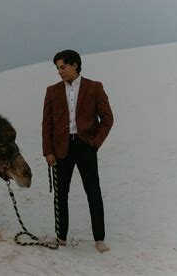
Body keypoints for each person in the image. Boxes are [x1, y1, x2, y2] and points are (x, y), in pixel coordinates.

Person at [42, 49, 113, 253]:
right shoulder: (52, 91)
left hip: (86, 146)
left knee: (93, 193)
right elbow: (47, 124)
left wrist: (95, 142)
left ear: (74, 65)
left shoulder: (94, 87)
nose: (59, 72)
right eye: (57, 68)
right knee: (60, 194)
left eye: (62, 67)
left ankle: (99, 239)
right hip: (61, 149)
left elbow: (107, 119)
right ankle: (61, 237)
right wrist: (48, 151)